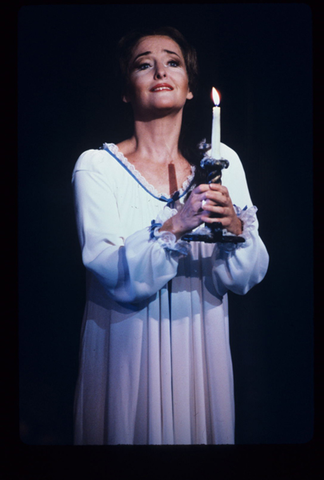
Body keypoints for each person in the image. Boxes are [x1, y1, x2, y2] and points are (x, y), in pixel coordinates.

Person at [72, 26, 269, 445]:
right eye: (144, 64)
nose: (160, 69)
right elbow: (111, 270)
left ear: (189, 87)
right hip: (130, 347)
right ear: (127, 89)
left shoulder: (220, 163)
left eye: (173, 61)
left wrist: (234, 228)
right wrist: (176, 225)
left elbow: (243, 277)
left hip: (199, 345)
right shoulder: (97, 167)